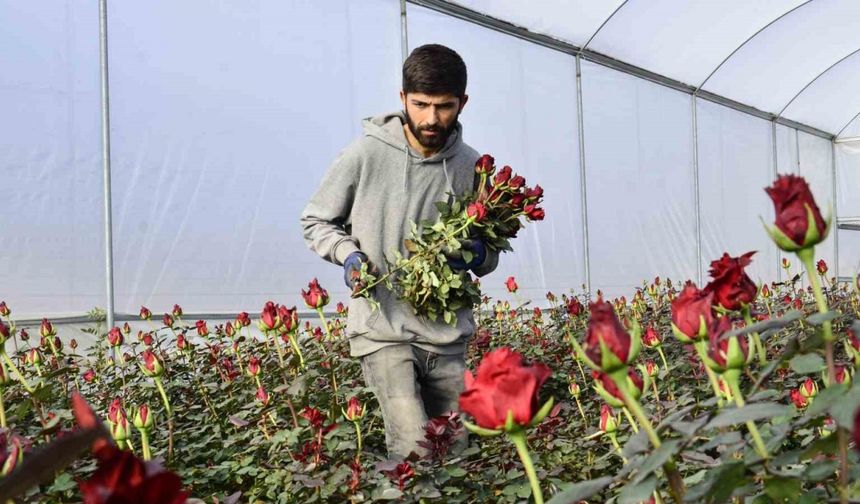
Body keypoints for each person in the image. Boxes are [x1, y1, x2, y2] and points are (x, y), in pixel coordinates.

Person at [300, 44, 499, 458]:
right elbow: (316, 220)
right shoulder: (365, 154)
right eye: (421, 104)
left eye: (444, 106)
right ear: (402, 97)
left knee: (458, 452)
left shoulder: (472, 167)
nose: (431, 118)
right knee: (416, 449)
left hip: (445, 336)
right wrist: (348, 254)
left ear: (462, 103)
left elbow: (491, 253)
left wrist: (477, 255)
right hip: (382, 328)